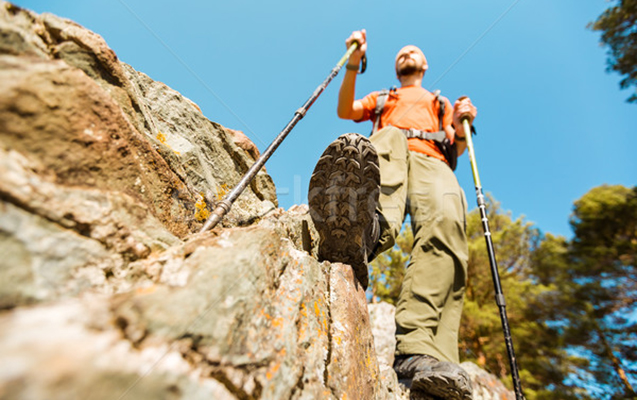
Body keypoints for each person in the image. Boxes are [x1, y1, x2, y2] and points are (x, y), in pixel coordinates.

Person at [308, 29, 477, 400]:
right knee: (384, 144)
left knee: (446, 231)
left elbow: (456, 144)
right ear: (395, 67)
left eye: (412, 51)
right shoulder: (385, 97)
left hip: (435, 161)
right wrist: (354, 60)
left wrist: (463, 121)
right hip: (390, 148)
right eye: (401, 53)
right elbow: (346, 110)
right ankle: (362, 229)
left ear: (424, 64)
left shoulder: (439, 101)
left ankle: (423, 353)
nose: (406, 55)